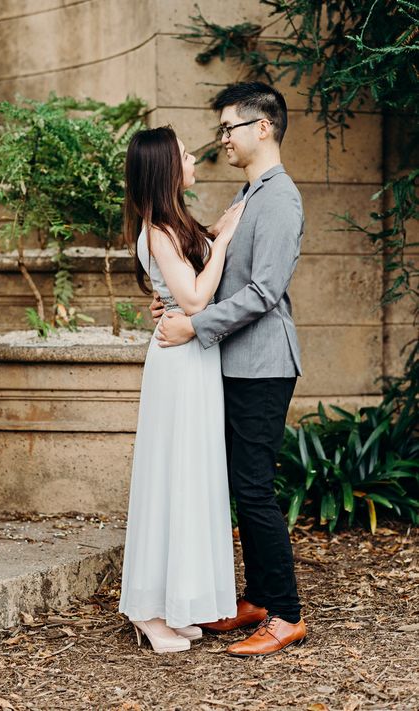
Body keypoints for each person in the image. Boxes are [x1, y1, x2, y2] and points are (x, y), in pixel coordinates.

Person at [152, 82, 307, 657]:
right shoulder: (251, 193)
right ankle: (260, 598)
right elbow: (220, 276)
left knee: (254, 488)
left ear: (262, 127)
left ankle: (286, 614)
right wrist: (178, 302)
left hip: (263, 363)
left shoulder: (280, 198)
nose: (223, 139)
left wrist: (195, 325)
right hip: (234, 361)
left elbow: (266, 290)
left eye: (229, 128)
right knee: (238, 485)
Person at [118, 126, 245, 653]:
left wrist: (214, 233)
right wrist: (225, 244)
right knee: (171, 474)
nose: (194, 158)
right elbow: (194, 301)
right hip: (178, 363)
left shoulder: (174, 226)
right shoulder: (157, 232)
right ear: (167, 168)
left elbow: (180, 287)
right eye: (186, 154)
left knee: (189, 475)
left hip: (192, 361)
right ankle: (147, 611)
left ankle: (175, 602)